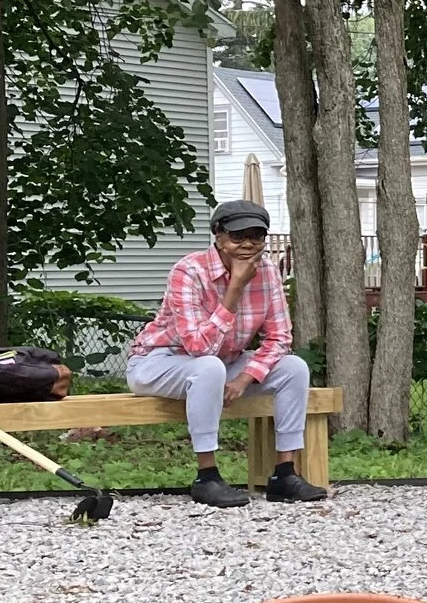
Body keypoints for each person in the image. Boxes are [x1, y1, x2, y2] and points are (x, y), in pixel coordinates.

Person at [125, 200, 327, 509]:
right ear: (218, 236)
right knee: (207, 367)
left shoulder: (268, 271)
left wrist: (246, 378)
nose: (247, 244)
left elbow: (280, 337)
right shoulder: (188, 271)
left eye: (255, 236)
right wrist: (235, 289)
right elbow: (198, 347)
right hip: (158, 362)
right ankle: (206, 477)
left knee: (294, 367)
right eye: (237, 236)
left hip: (224, 364)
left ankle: (284, 474)